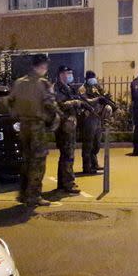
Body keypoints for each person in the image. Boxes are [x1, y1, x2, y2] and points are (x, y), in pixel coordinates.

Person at [8, 54, 62, 207]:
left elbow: (10, 102)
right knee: (38, 163)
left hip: (24, 126)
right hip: (37, 126)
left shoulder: (19, 82)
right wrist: (56, 117)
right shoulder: (43, 83)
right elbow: (50, 105)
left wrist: (18, 114)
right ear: (43, 66)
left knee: (26, 160)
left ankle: (23, 194)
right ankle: (34, 196)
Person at [53, 65, 83, 194]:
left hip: (70, 125)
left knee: (66, 155)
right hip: (63, 126)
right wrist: (74, 103)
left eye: (71, 72)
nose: (70, 75)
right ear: (61, 74)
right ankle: (69, 183)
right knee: (68, 155)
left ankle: (62, 183)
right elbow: (60, 104)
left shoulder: (69, 88)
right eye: (67, 73)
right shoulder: (56, 88)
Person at [78, 70, 116, 174]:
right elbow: (86, 100)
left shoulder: (96, 87)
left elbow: (105, 95)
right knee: (88, 143)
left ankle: (94, 164)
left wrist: (107, 99)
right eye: (91, 77)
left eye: (93, 77)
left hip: (98, 118)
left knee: (97, 143)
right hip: (89, 117)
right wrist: (98, 99)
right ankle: (87, 166)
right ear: (86, 78)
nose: (93, 79)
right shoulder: (82, 89)